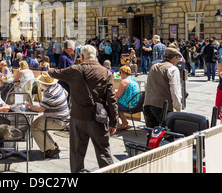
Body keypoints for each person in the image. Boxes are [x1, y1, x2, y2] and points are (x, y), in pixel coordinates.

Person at [48, 44, 118, 173]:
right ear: (96, 55)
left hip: (78, 117)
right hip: (98, 118)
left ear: (81, 56)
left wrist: (47, 68)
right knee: (104, 152)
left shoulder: (75, 70)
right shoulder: (106, 72)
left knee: (76, 153)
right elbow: (112, 100)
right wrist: (114, 122)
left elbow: (55, 73)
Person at [25, 72, 70, 158]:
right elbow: (66, 93)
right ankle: (51, 145)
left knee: (34, 127)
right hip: (63, 117)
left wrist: (29, 106)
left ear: (44, 83)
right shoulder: (58, 86)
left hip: (58, 120)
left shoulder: (50, 93)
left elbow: (40, 109)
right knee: (37, 124)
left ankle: (52, 148)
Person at [143, 47, 183, 128]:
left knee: (152, 134)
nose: (178, 61)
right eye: (178, 59)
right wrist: (178, 108)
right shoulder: (173, 69)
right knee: (168, 134)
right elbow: (175, 91)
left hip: (148, 105)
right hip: (163, 107)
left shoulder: (154, 66)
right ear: (174, 58)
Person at [116, 66, 141, 130]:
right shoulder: (133, 80)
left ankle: (117, 125)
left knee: (113, 105)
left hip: (129, 105)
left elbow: (118, 95)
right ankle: (124, 122)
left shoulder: (124, 81)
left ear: (123, 73)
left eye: (120, 73)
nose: (120, 75)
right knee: (118, 105)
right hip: (137, 105)